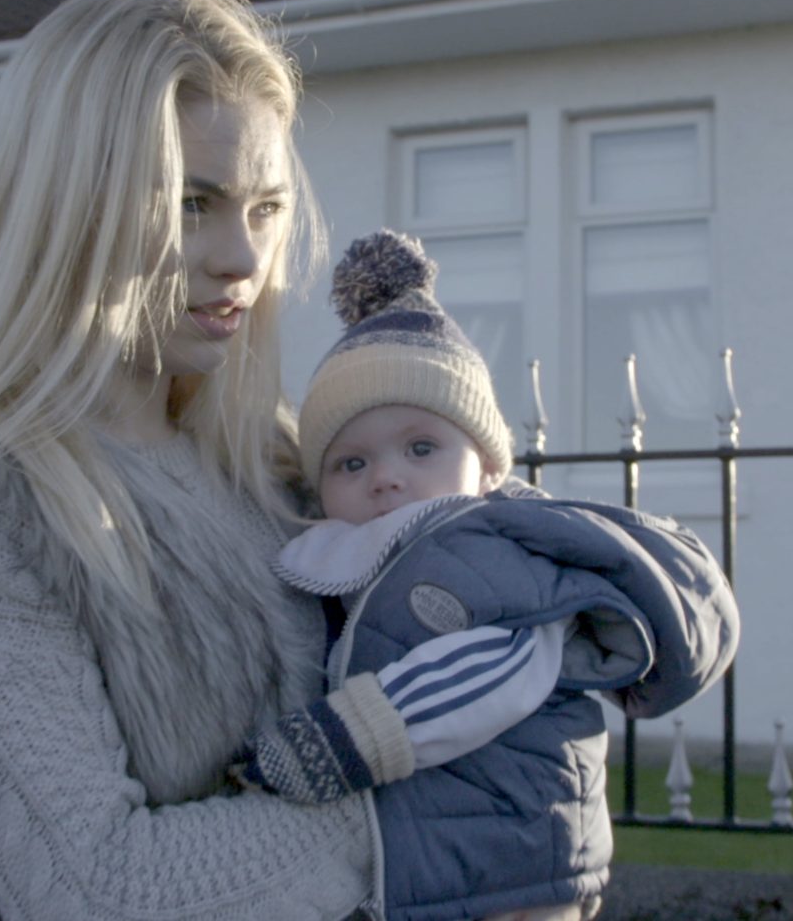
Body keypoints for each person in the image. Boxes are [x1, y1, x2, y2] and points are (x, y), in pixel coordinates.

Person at [0, 0, 381, 920]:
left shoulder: (285, 468)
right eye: (194, 203)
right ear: (63, 208)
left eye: (266, 208)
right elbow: (98, 890)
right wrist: (439, 817)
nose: (245, 259)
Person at [231, 231, 740, 921]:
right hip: (457, 853)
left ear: (489, 465)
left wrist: (342, 741)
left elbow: (498, 670)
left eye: (421, 447)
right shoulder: (364, 556)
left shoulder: (486, 546)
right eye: (352, 462)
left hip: (519, 854)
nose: (386, 477)